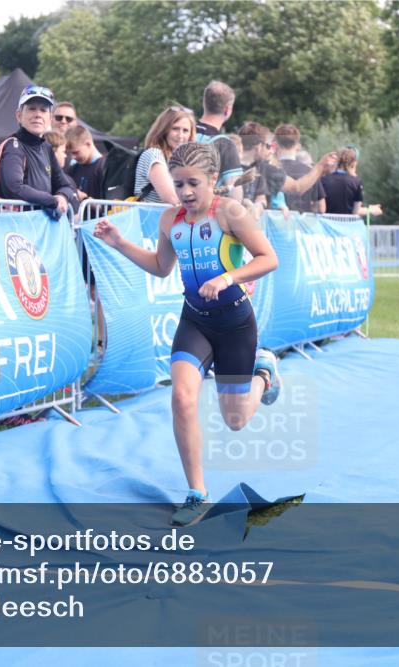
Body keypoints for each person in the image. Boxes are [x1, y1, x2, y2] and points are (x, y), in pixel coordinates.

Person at [93, 142, 282, 526]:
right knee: (181, 398)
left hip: (234, 324)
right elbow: (162, 266)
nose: (185, 193)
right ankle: (198, 493)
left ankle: (264, 374)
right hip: (194, 321)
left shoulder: (232, 212)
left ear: (213, 179)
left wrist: (228, 277)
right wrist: (121, 243)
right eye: (178, 185)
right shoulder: (170, 220)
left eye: (193, 183)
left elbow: (268, 258)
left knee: (236, 420)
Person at [0, 85, 77, 216]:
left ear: (49, 119)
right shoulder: (14, 146)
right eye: (32, 109)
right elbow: (14, 188)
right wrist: (52, 201)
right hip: (18, 228)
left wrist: (62, 196)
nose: (38, 114)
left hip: (42, 228)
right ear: (19, 115)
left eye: (43, 110)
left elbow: (67, 186)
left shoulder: (47, 148)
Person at [134, 105, 196, 205]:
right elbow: (173, 198)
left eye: (185, 130)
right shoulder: (154, 154)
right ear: (164, 130)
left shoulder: (182, 160)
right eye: (175, 129)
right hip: (150, 218)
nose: (180, 135)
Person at [196, 81, 244, 199]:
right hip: (200, 213)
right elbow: (236, 194)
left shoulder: (181, 133)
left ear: (204, 103)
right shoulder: (224, 144)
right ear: (227, 110)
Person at [274, 124, 326, 213]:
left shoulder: (270, 170)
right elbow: (321, 208)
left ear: (276, 145)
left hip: (274, 224)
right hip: (302, 224)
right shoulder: (310, 172)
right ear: (298, 146)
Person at [320, 147, 382, 217]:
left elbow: (320, 209)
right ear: (353, 163)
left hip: (327, 225)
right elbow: (355, 212)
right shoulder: (356, 182)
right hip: (348, 226)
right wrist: (370, 210)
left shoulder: (323, 180)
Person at [64, 125, 105, 201]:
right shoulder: (72, 169)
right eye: (70, 153)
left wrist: (84, 199)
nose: (73, 157)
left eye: (76, 152)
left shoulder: (105, 168)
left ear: (88, 144)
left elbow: (108, 206)